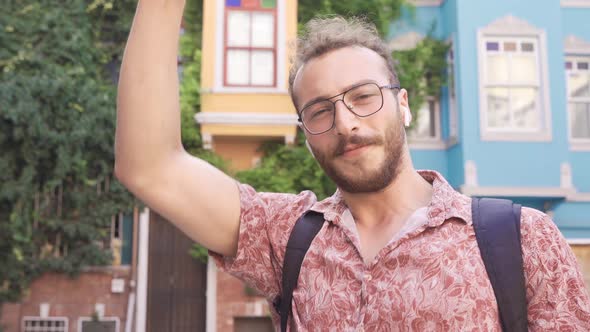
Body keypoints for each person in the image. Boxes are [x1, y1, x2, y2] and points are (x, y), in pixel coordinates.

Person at [115, 1, 590, 330]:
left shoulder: (523, 238)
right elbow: (150, 166)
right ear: (306, 135)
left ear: (403, 105)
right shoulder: (286, 238)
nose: (345, 122)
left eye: (363, 96)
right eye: (320, 111)